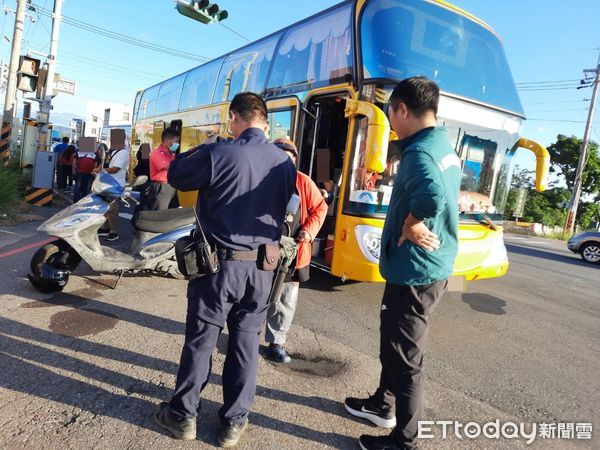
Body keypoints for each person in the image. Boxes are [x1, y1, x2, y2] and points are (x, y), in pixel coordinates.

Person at [153, 92, 296, 447]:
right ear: (264, 120)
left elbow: (176, 174)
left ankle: (183, 417)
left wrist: (208, 145)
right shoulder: (285, 163)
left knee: (202, 342)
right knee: (246, 345)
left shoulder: (219, 152)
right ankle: (234, 422)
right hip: (263, 269)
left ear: (234, 118)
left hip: (218, 268)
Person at [344, 77, 461, 450]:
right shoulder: (443, 143)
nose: (390, 121)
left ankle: (404, 441)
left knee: (405, 357)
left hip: (415, 270)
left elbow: (431, 197)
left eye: (390, 112)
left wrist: (412, 223)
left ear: (403, 110)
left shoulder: (419, 153)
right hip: (429, 265)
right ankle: (383, 404)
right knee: (392, 341)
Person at [265, 138, 328, 363]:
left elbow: (321, 207)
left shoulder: (303, 181)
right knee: (256, 293)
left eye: (289, 157)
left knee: (286, 298)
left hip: (292, 253)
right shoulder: (261, 178)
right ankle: (247, 336)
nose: (284, 160)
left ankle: (277, 342)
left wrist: (309, 231)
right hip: (262, 248)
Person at [95, 140, 130, 242]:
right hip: (107, 183)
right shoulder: (112, 151)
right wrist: (99, 170)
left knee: (112, 210)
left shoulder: (123, 152)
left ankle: (114, 232)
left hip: (116, 185)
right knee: (105, 208)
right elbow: (105, 164)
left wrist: (100, 171)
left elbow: (115, 169)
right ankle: (105, 228)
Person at [148, 128, 180, 210]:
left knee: (172, 212)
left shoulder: (171, 154)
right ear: (166, 140)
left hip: (171, 186)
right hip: (161, 187)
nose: (177, 144)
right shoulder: (157, 153)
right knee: (159, 215)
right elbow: (169, 167)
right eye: (175, 141)